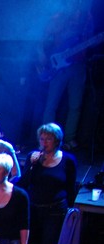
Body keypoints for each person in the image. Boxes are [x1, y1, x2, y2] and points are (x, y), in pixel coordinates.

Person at [18, 123, 77, 244]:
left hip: (54, 211)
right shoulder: (33, 157)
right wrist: (32, 165)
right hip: (33, 209)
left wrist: (69, 208)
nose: (44, 143)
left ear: (56, 140)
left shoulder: (67, 160)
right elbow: (23, 183)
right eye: (42, 139)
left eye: (48, 139)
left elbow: (70, 187)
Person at [38, 6, 94, 150]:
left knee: (75, 105)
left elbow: (88, 41)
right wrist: (41, 53)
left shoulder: (87, 18)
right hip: (59, 66)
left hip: (78, 66)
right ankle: (45, 139)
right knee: (51, 104)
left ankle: (69, 139)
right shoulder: (61, 17)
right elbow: (42, 37)